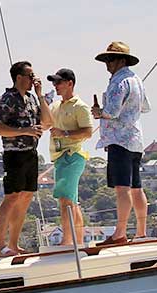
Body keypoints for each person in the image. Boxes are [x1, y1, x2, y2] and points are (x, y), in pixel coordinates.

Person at [90, 41, 152, 245]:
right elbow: (145, 108)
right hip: (135, 140)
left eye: (111, 59)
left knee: (122, 188)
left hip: (119, 141)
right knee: (136, 188)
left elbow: (112, 112)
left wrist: (99, 112)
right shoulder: (137, 80)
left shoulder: (118, 82)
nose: (107, 63)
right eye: (106, 59)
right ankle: (141, 232)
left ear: (122, 60)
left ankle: (120, 233)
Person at [0, 61, 53, 257]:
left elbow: (48, 122)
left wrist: (40, 94)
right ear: (19, 77)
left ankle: (13, 244)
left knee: (25, 197)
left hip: (31, 154)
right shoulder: (5, 100)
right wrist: (24, 130)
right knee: (12, 197)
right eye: (30, 76)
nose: (33, 80)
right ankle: (0, 246)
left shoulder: (33, 99)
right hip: (14, 154)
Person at [46, 68, 96, 248]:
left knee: (66, 200)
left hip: (72, 155)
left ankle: (67, 241)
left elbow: (88, 132)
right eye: (54, 82)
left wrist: (64, 133)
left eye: (59, 82)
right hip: (60, 157)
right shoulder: (55, 106)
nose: (55, 86)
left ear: (70, 83)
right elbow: (45, 123)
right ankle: (78, 241)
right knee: (70, 201)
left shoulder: (80, 106)